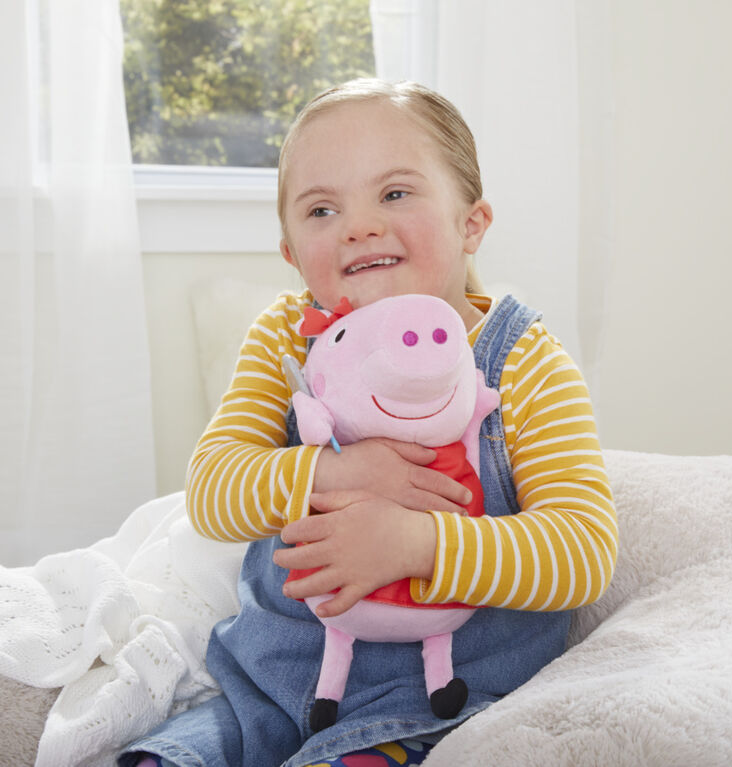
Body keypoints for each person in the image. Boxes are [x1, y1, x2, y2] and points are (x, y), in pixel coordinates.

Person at [120, 78, 618, 767]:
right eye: (321, 208)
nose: (358, 225)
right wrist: (332, 470)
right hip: (266, 687)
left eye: (393, 193)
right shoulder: (283, 338)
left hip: (441, 704)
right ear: (293, 255)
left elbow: (581, 550)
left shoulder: (524, 362)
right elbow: (211, 493)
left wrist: (418, 543)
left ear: (469, 223)